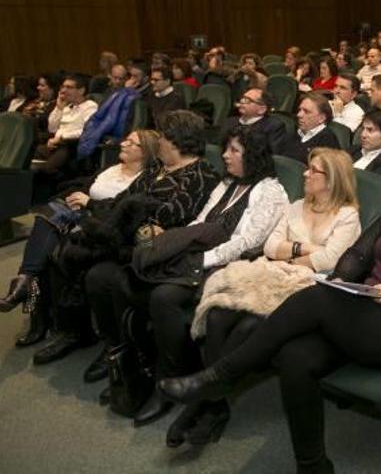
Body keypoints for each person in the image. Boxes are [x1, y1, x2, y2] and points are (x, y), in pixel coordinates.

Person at [159, 151, 381, 473]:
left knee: (317, 298)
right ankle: (312, 465)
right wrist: (342, 283)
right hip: (367, 313)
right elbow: (357, 254)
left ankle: (221, 376)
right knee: (295, 356)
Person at [86, 127, 287, 427]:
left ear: (253, 156)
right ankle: (138, 366)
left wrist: (202, 259)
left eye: (234, 151)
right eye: (226, 149)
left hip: (229, 265)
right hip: (197, 255)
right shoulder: (227, 184)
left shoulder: (271, 190)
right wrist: (176, 245)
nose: (225, 155)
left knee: (164, 296)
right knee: (120, 279)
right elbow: (199, 221)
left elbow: (247, 242)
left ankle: (169, 381)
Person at [166, 148, 360, 446]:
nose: (305, 174)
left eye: (313, 170)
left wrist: (292, 251)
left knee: (247, 327)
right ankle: (213, 404)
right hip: (269, 275)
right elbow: (271, 247)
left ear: (332, 179)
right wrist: (303, 250)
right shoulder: (296, 205)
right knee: (217, 315)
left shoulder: (347, 216)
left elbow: (330, 260)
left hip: (304, 289)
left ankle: (201, 403)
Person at [40, 111, 219, 365]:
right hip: (124, 236)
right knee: (61, 252)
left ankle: (118, 348)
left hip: (153, 247)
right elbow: (122, 201)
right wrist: (107, 213)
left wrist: (120, 219)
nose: (157, 142)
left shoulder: (201, 176)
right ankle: (80, 333)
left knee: (98, 274)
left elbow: (165, 219)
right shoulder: (157, 167)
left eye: (162, 137)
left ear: (177, 140)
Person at [0, 130, 160, 350]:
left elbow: (120, 213)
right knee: (45, 228)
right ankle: (36, 310)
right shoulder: (111, 169)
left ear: (145, 152)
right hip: (78, 216)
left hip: (100, 227)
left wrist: (88, 204)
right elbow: (85, 188)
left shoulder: (143, 181)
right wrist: (74, 198)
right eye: (125, 140)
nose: (123, 144)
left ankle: (33, 302)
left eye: (130, 143)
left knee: (47, 243)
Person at [278, 92, 340, 163]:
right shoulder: (294, 133)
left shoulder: (327, 140)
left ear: (321, 118)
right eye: (299, 110)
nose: (299, 115)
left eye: (306, 112)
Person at [350, 110, 381, 187]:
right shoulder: (353, 150)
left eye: (370, 130)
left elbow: (372, 187)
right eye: (363, 129)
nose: (363, 135)